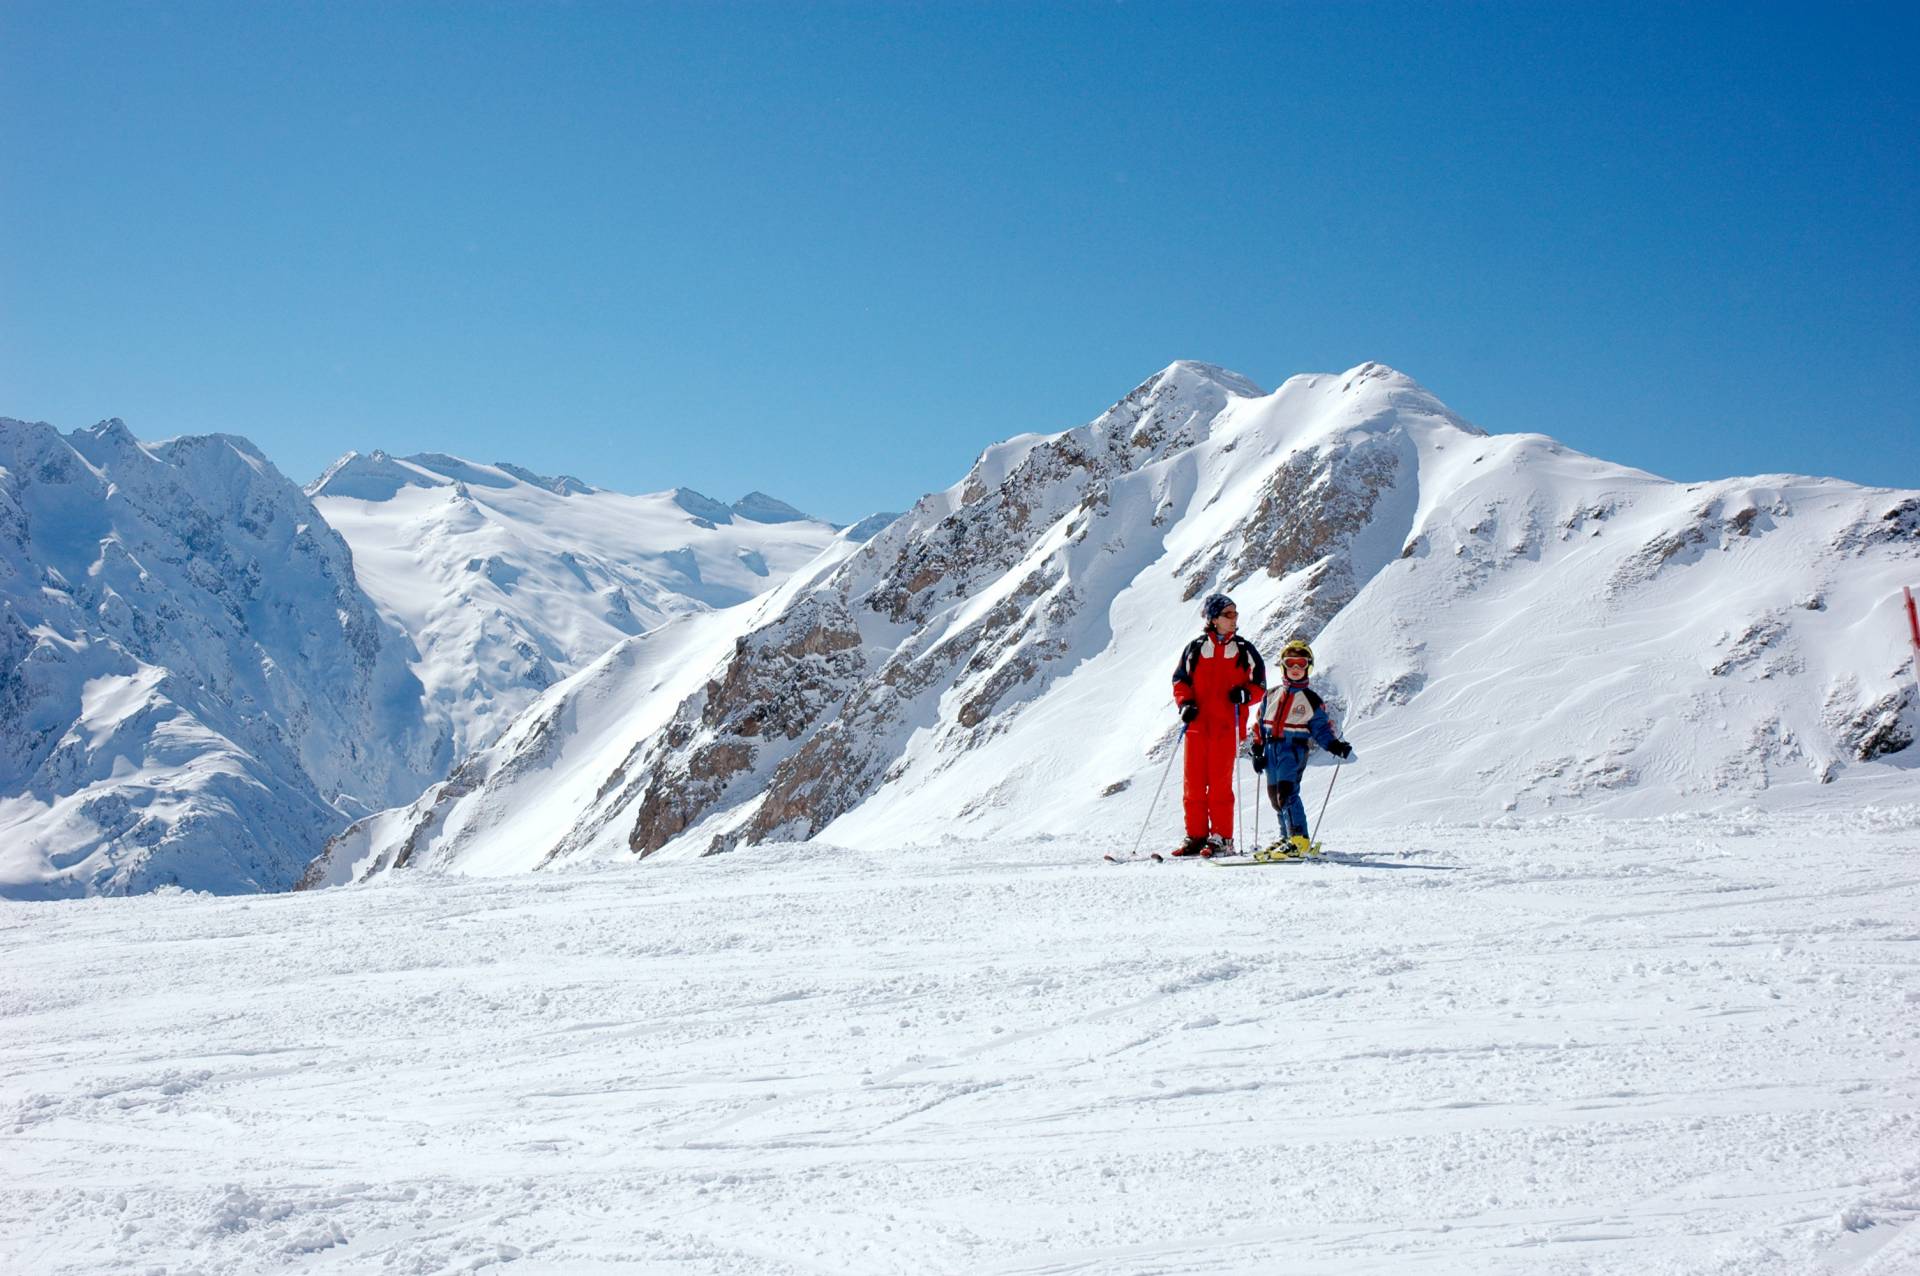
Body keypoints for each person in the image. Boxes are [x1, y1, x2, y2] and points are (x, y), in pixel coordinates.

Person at [1169, 594, 1265, 856]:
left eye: (1235, 614)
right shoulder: (1195, 649)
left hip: (1226, 726)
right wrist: (1185, 703)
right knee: (1194, 784)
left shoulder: (1245, 650)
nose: (1234, 619)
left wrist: (1246, 695)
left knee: (1220, 785)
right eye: (1228, 614)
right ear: (1213, 619)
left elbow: (1260, 686)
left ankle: (1222, 837)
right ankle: (1197, 836)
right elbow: (1180, 681)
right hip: (1198, 727)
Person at [1249, 638, 1353, 855]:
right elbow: (1259, 723)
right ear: (1283, 666)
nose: (1296, 669)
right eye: (1290, 663)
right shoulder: (1272, 695)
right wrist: (1257, 748)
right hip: (1270, 750)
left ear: (1309, 666)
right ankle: (1286, 836)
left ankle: (1300, 840)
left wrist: (1334, 745)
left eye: (1301, 664)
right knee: (1275, 796)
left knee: (1287, 793)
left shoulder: (1310, 700)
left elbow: (1321, 729)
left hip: (1292, 750)